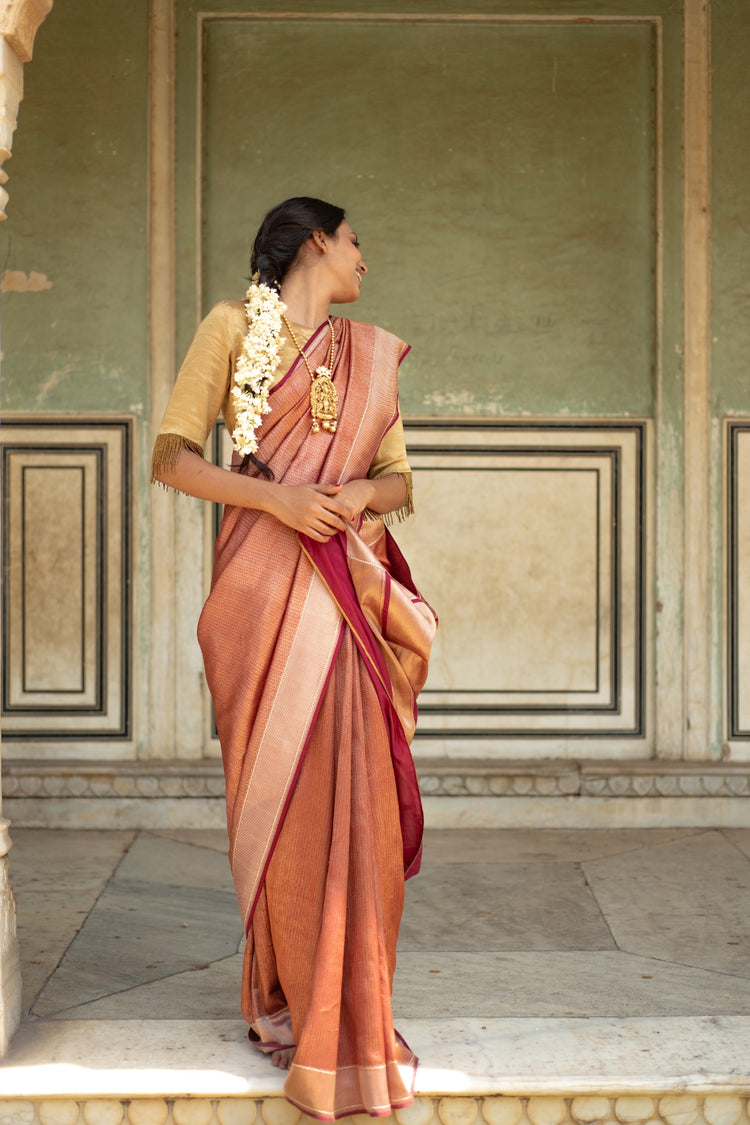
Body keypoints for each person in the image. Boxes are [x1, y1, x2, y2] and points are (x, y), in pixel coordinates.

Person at [151, 196, 437, 1121]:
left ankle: (353, 1007)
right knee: (277, 797)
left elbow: (399, 478)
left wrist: (354, 491)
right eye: (358, 239)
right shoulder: (234, 326)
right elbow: (171, 457)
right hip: (259, 593)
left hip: (341, 592)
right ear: (317, 239)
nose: (365, 258)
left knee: (355, 800)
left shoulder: (367, 354)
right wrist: (278, 503)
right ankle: (286, 998)